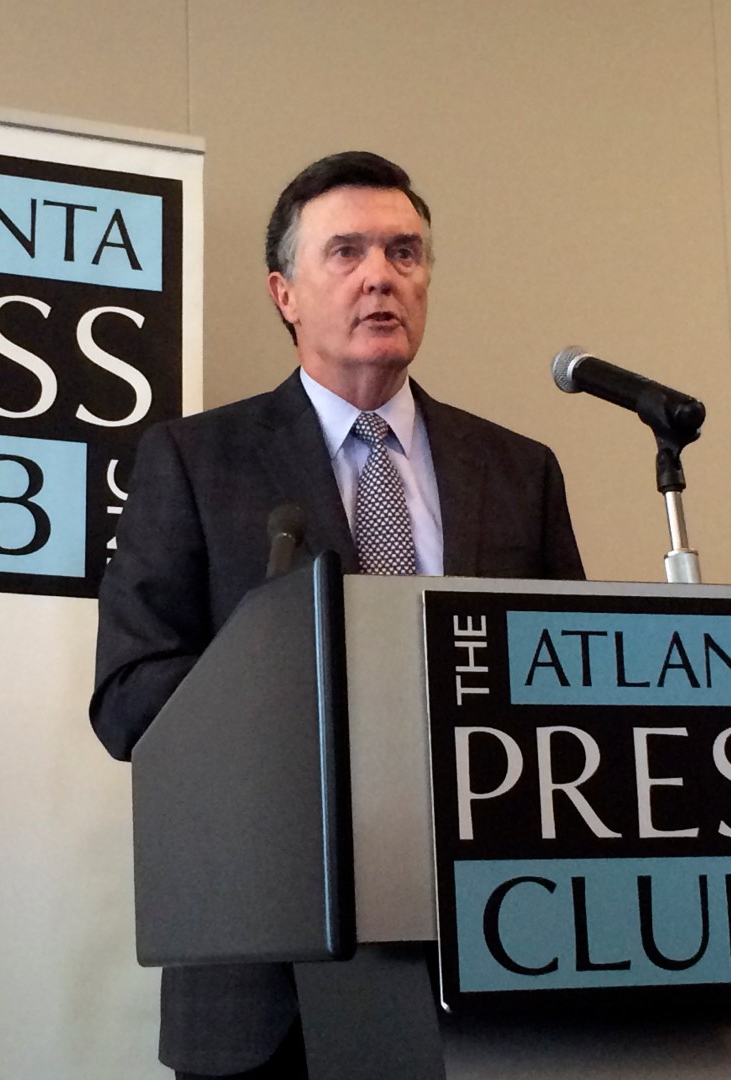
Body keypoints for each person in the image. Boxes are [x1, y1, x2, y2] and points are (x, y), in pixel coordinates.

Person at [90, 151, 585, 1079]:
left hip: (494, 960)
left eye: (405, 252)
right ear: (285, 292)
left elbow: (570, 686)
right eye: (347, 252)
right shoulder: (196, 462)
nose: (381, 276)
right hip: (268, 984)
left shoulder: (520, 471)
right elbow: (129, 697)